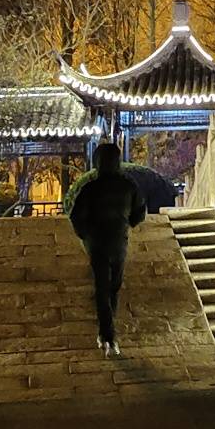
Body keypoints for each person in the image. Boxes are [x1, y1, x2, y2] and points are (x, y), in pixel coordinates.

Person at [64, 140, 146, 355]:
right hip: (119, 241)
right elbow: (140, 211)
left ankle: (106, 335)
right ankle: (108, 332)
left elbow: (75, 216)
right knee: (114, 286)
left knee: (102, 286)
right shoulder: (128, 185)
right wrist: (128, 222)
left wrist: (85, 234)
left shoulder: (90, 187)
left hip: (97, 242)